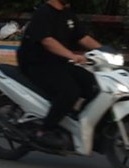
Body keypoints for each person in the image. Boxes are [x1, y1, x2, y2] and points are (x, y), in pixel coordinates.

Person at [17, 0, 102, 148]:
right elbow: (47, 41)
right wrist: (71, 55)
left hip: (60, 62)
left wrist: (105, 51)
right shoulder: (43, 13)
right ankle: (44, 130)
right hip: (38, 64)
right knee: (70, 91)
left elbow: (83, 37)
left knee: (95, 85)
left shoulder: (67, 14)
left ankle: (77, 124)